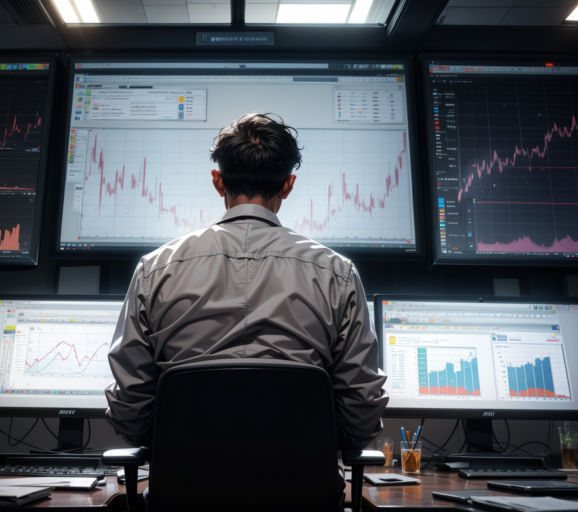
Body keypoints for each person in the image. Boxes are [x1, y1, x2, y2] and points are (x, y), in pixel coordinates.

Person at [105, 113, 388, 454]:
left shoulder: (155, 269)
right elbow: (361, 408)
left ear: (218, 181)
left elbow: (131, 407)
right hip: (305, 498)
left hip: (182, 498)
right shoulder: (337, 273)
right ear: (288, 184)